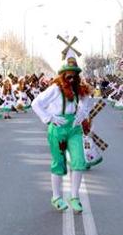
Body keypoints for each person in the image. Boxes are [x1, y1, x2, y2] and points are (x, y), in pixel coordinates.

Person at [31, 53, 92, 213]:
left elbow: (87, 102)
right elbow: (36, 103)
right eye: (68, 74)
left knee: (79, 161)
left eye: (74, 74)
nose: (71, 77)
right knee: (58, 163)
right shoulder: (55, 89)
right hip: (58, 129)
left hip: (74, 128)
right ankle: (57, 197)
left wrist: (82, 114)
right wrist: (49, 117)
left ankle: (74, 197)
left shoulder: (79, 89)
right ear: (63, 74)